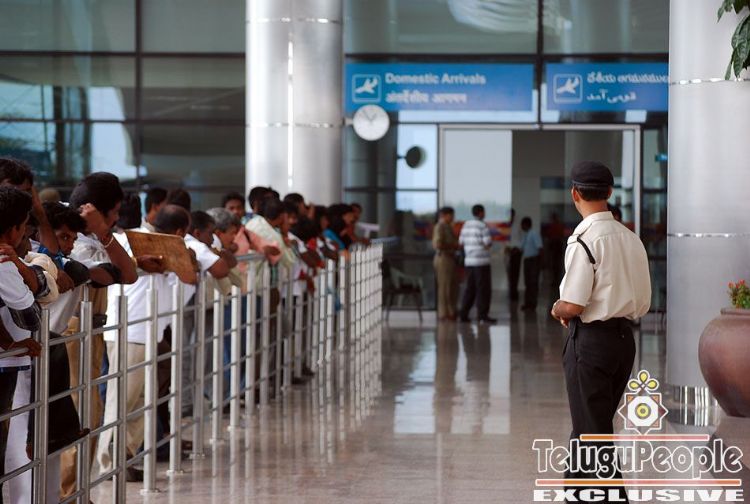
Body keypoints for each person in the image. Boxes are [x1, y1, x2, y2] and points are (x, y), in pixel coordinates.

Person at [550, 161, 651, 502]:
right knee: (590, 424)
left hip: (591, 345)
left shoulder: (584, 239)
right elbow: (643, 299)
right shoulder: (632, 239)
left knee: (594, 432)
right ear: (609, 192)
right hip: (623, 343)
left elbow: (573, 304)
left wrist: (557, 308)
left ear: (574, 194)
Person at [60, 172, 138, 496]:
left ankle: (77, 493)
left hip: (89, 330)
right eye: (114, 212)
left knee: (88, 411)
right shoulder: (72, 236)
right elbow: (123, 274)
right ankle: (69, 494)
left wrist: (104, 232)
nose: (117, 218)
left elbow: (128, 272)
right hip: (73, 331)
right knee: (79, 413)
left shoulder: (95, 237)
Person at [0, 187, 43, 504]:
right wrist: (28, 274)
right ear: (15, 229)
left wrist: (7, 340)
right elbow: (31, 316)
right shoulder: (4, 263)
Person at [458, 204, 496, 324]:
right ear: (480, 213)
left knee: (470, 288)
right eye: (484, 212)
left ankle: (463, 314)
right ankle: (482, 316)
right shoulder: (482, 225)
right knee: (483, 289)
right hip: (481, 262)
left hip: (469, 262)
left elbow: (461, 242)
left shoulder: (465, 225)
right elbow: (488, 243)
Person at [432, 207, 459, 321]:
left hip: (450, 258)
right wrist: (454, 246)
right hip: (443, 258)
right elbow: (438, 244)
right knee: (444, 287)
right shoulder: (440, 226)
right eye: (451, 215)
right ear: (444, 215)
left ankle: (451, 311)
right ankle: (444, 313)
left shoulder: (448, 226)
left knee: (452, 286)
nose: (452, 217)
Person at [520, 217, 543, 311]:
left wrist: (541, 262)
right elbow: (522, 248)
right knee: (527, 283)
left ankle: (533, 304)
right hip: (527, 261)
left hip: (534, 261)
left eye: (522, 224)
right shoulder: (526, 235)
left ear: (526, 224)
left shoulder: (534, 234)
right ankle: (527, 303)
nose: (521, 226)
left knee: (533, 283)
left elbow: (540, 248)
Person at [505, 209, 522, 302]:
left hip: (516, 251)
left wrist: (518, 248)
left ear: (514, 215)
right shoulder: (505, 226)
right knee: (509, 273)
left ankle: (514, 293)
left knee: (515, 273)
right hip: (508, 252)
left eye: (511, 215)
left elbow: (521, 238)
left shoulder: (517, 225)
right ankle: (511, 292)